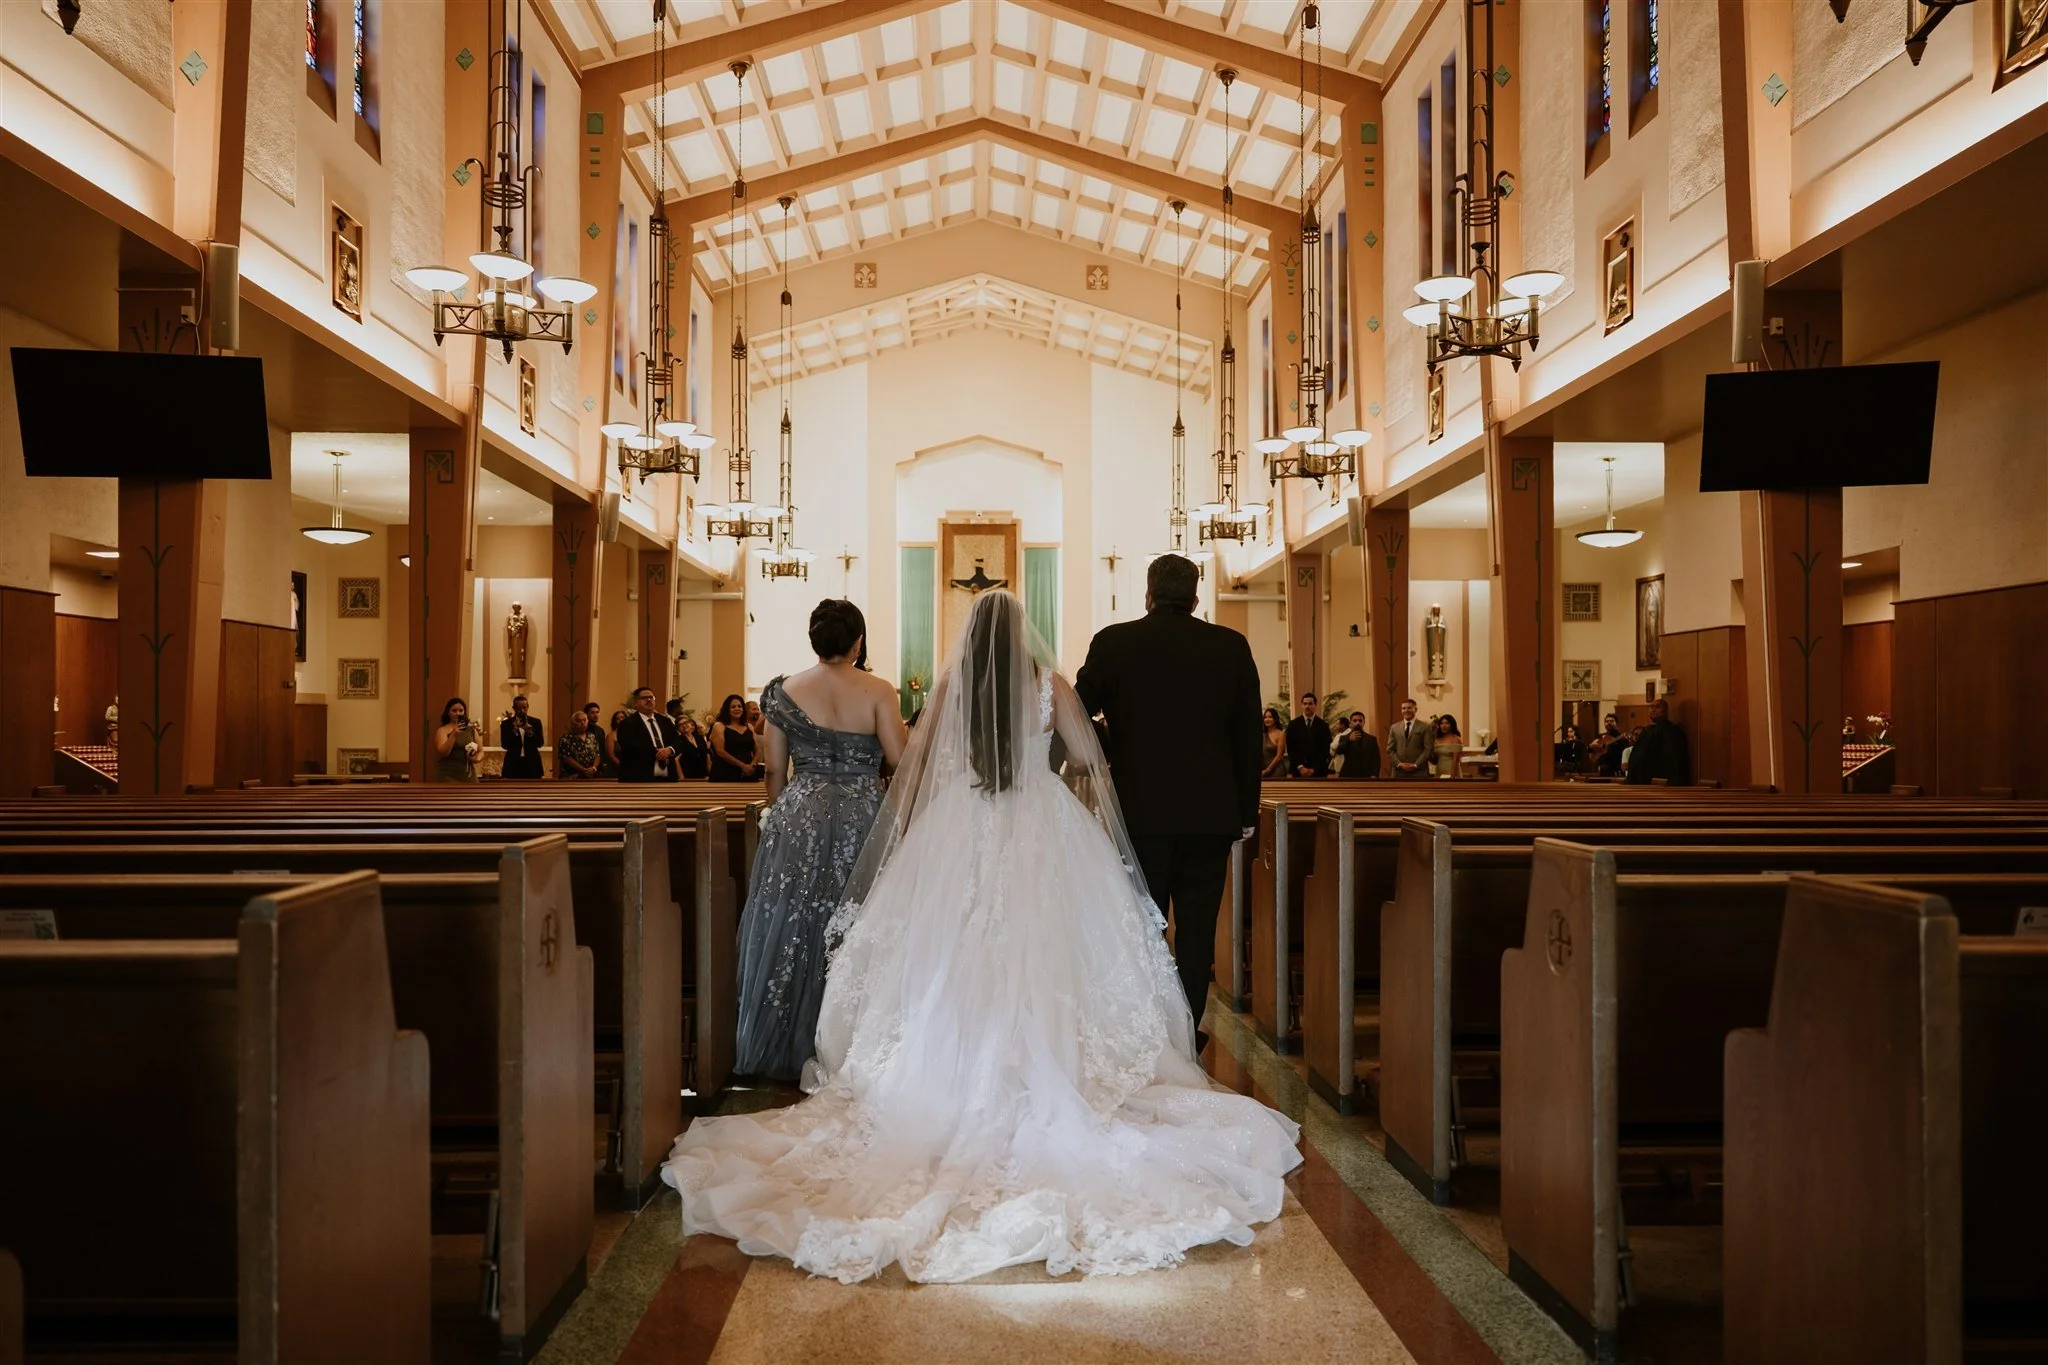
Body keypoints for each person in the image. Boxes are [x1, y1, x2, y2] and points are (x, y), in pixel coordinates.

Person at [664, 589, 1299, 1283]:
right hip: (1039, 822)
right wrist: (1056, 768)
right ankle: (1049, 1060)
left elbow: (914, 764)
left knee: (951, 952)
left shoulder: (951, 687)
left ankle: (952, 1062)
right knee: (1051, 952)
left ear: (970, 640)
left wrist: (935, 818)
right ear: (1026, 636)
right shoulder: (1049, 684)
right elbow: (1088, 756)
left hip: (963, 825)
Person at [1076, 554, 1263, 1037]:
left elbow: (1078, 716)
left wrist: (1112, 754)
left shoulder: (1114, 643)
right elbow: (1248, 736)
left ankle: (1149, 1031)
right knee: (1198, 931)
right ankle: (1186, 1031)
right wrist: (1246, 811)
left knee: (1143, 925)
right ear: (1197, 599)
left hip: (1139, 811)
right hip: (1210, 813)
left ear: (1148, 593)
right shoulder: (1230, 646)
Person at [732, 600, 906, 1081]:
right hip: (860, 813)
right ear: (858, 642)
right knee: (857, 919)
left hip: (801, 812)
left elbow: (773, 771)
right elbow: (899, 758)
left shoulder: (784, 692)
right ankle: (850, 1040)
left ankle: (783, 1039)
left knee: (792, 918)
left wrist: (777, 813)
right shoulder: (877, 690)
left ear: (814, 640)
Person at [615, 688, 683, 782]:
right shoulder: (627, 723)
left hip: (668, 777)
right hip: (639, 777)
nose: (649, 700)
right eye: (644, 698)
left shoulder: (665, 721)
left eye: (651, 697)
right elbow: (629, 746)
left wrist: (670, 750)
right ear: (636, 703)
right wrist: (657, 752)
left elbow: (678, 741)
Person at [1625, 698, 1691, 786]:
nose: (1653, 710)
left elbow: (1673, 760)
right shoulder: (1646, 731)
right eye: (1651, 707)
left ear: (1665, 711)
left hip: (1658, 782)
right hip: (1640, 781)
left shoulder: (1672, 731)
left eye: (1657, 707)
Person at [708, 694, 764, 781]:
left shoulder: (749, 727)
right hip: (725, 771)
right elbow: (720, 751)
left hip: (748, 772)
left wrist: (752, 765)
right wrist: (742, 765)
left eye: (739, 706)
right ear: (727, 709)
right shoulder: (719, 725)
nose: (737, 709)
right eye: (733, 707)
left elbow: (757, 750)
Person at [1284, 691, 1332, 779]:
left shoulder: (1323, 725)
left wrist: (1314, 768)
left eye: (1310, 704)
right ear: (1302, 705)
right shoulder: (1293, 724)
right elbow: (1291, 748)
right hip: (1298, 770)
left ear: (1315, 705)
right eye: (1305, 704)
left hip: (1318, 771)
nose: (1307, 706)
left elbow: (1325, 749)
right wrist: (1300, 767)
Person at [432, 698, 480, 783]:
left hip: (468, 774)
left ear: (464, 712)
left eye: (461, 710)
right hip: (448, 774)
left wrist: (476, 759)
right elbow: (443, 753)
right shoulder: (442, 731)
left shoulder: (471, 730)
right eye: (454, 710)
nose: (457, 713)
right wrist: (454, 734)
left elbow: (481, 751)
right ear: (448, 712)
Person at [499, 695, 545, 780]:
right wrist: (514, 731)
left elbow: (540, 743)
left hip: (532, 764)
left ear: (528, 707)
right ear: (514, 708)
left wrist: (530, 733)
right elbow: (504, 745)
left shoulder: (536, 722)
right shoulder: (506, 724)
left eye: (524, 708)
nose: (522, 711)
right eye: (519, 708)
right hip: (513, 764)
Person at [1386, 697, 1430, 779]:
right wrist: (1399, 764)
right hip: (1398, 772)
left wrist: (1415, 764)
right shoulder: (1394, 727)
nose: (1406, 710)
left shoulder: (1425, 727)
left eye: (1409, 708)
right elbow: (1390, 750)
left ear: (1415, 709)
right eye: (1404, 708)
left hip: (1419, 771)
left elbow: (1428, 749)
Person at [1333, 710, 1380, 779]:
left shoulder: (1372, 739)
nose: (1358, 723)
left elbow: (1376, 759)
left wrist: (1374, 774)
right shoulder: (1344, 737)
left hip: (1366, 775)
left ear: (1364, 722)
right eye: (1355, 721)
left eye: (1360, 721)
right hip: (1348, 776)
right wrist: (1349, 740)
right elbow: (1339, 751)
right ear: (1350, 723)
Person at [556, 708, 601, 780]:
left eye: (584, 720)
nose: (582, 723)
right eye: (579, 721)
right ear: (573, 724)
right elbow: (566, 758)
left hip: (591, 775)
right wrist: (584, 770)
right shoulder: (566, 738)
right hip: (572, 776)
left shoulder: (592, 736)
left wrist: (593, 768)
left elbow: (597, 755)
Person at [1430, 713, 1464, 779]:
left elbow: (1456, 760)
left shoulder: (1456, 739)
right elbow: (1435, 760)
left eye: (1447, 723)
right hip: (1439, 769)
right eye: (1442, 723)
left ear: (1452, 725)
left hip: (1452, 770)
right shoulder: (1437, 740)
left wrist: (1452, 776)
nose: (1444, 726)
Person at [1592, 713, 1626, 778]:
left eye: (1611, 721)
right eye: (1607, 721)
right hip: (1602, 769)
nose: (1609, 723)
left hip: (1616, 770)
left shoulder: (1622, 737)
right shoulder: (1600, 737)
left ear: (1616, 723)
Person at [1259, 706, 1288, 780]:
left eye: (1270, 717)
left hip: (1276, 770)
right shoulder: (1262, 734)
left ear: (1275, 719)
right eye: (1265, 717)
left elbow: (1279, 756)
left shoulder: (1280, 734)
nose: (1267, 719)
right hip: (1263, 770)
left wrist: (1267, 770)